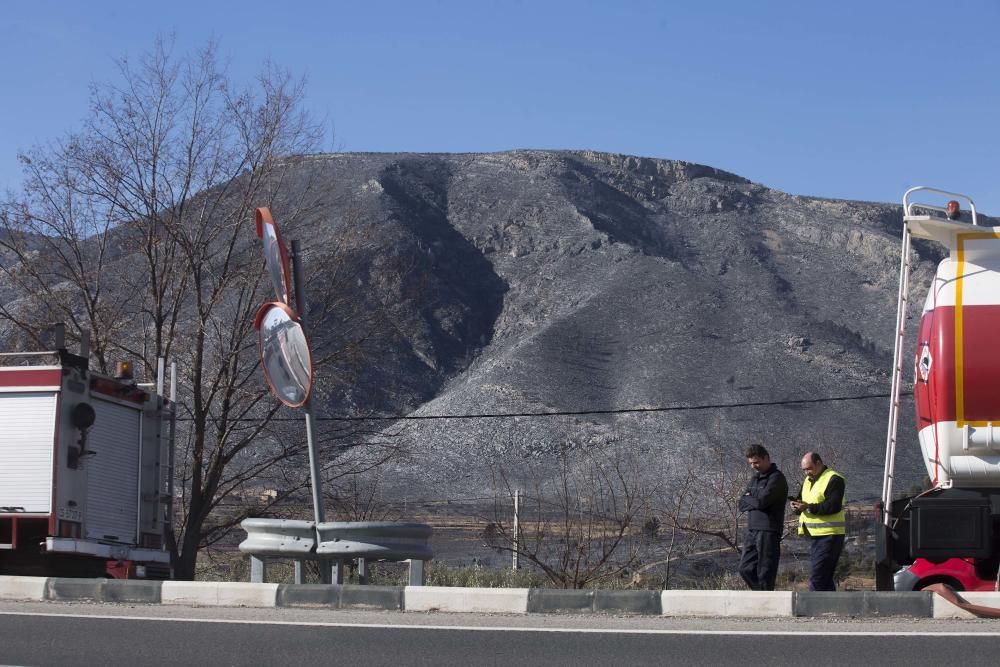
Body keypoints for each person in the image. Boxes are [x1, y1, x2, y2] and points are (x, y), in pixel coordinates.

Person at [790, 451, 846, 591]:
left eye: (809, 468)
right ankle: (830, 609)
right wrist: (796, 507)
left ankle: (812, 608)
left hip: (830, 535)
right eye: (804, 470)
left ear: (819, 463)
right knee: (824, 578)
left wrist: (808, 508)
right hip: (815, 536)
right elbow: (801, 501)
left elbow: (833, 506)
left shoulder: (834, 479)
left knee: (818, 577)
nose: (806, 473)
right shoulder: (808, 481)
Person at [737, 444, 788, 591]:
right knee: (745, 568)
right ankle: (762, 595)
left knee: (765, 571)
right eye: (751, 463)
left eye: (756, 462)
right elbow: (741, 503)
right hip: (752, 530)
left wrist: (750, 498)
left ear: (766, 458)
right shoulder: (755, 479)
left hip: (769, 530)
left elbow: (762, 502)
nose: (754, 466)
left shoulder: (777, 478)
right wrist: (752, 499)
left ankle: (766, 600)